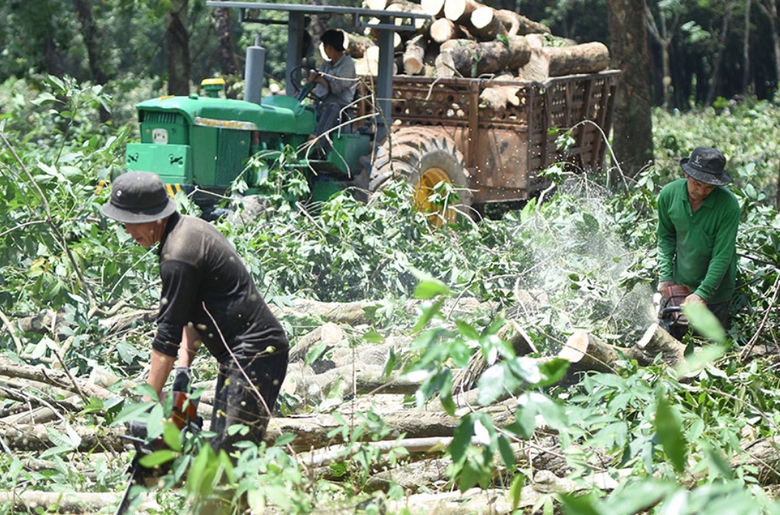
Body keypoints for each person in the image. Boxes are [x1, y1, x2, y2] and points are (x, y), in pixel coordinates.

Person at [101, 171, 289, 455]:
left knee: (229, 458)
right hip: (242, 356)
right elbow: (193, 309)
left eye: (129, 222)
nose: (127, 230)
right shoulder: (187, 229)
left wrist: (148, 405)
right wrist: (183, 371)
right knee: (220, 451)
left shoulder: (178, 255)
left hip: (256, 356)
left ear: (150, 216)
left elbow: (167, 337)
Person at [656, 146, 740, 333]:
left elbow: (722, 254)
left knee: (710, 350)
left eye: (709, 187)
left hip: (716, 292)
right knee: (672, 347)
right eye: (697, 183)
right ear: (686, 175)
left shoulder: (728, 205)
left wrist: (703, 293)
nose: (701, 191)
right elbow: (665, 237)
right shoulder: (669, 195)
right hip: (681, 284)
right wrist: (666, 276)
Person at [306, 29, 357, 141]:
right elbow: (317, 79)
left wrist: (321, 80)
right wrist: (310, 82)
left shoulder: (347, 64)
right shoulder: (327, 65)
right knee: (307, 110)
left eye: (325, 46)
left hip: (341, 106)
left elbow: (337, 89)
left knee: (331, 108)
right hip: (322, 102)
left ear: (329, 47)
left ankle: (317, 141)